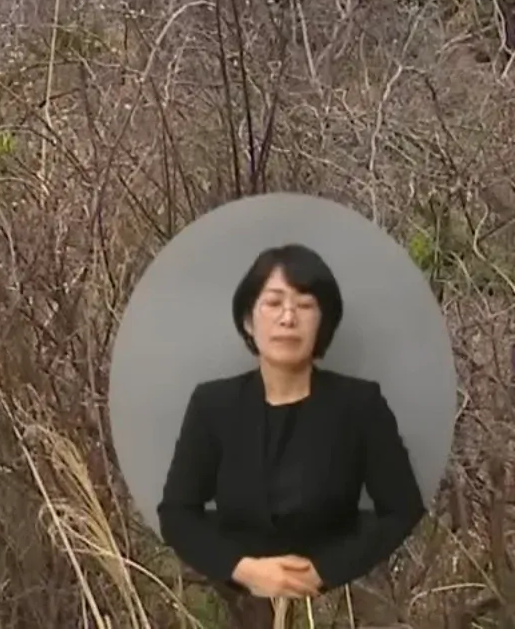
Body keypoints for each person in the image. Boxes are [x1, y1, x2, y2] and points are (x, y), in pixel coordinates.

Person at [158, 244, 426, 621]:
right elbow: (177, 514)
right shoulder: (212, 404)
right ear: (249, 320)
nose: (288, 317)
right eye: (273, 303)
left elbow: (402, 508)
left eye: (304, 304)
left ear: (323, 321)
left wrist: (325, 571)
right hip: (237, 603)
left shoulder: (359, 404)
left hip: (340, 605)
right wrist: (244, 569)